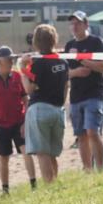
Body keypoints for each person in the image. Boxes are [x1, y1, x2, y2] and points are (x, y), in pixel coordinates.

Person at [0, 46, 36, 193]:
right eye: (9, 59)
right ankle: (5, 190)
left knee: (26, 151)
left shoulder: (17, 77)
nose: (12, 61)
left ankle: (34, 185)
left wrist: (26, 120)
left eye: (12, 59)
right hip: (0, 124)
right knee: (4, 157)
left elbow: (26, 99)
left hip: (19, 122)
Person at [19, 25, 69, 184]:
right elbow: (66, 86)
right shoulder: (63, 61)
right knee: (52, 153)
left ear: (36, 42)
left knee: (42, 153)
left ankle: (50, 186)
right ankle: (54, 184)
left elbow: (29, 89)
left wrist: (22, 68)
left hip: (40, 108)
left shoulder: (38, 63)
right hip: (58, 109)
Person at [64, 12, 103, 171]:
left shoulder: (95, 42)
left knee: (92, 131)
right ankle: (87, 169)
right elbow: (66, 72)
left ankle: (102, 169)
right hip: (76, 95)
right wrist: (76, 72)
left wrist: (82, 60)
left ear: (86, 25)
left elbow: (102, 67)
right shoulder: (69, 45)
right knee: (81, 135)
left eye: (78, 23)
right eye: (72, 24)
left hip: (94, 93)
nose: (74, 27)